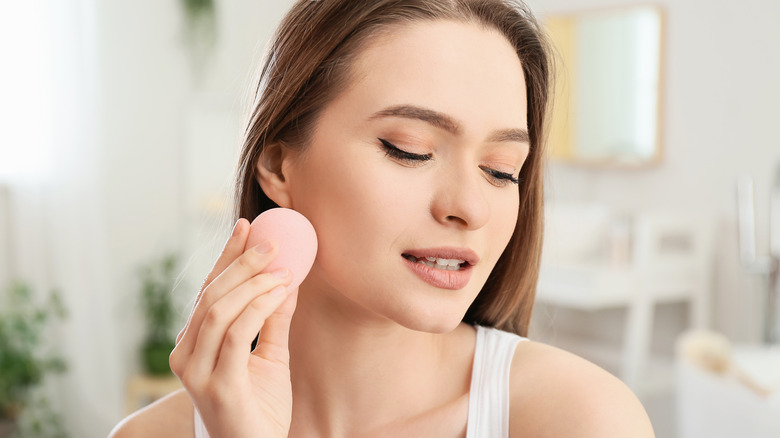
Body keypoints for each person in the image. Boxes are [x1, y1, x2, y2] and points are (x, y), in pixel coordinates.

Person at [111, 0, 655, 436]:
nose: (469, 207)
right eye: (409, 149)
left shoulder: (581, 419)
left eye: (501, 169)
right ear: (278, 163)